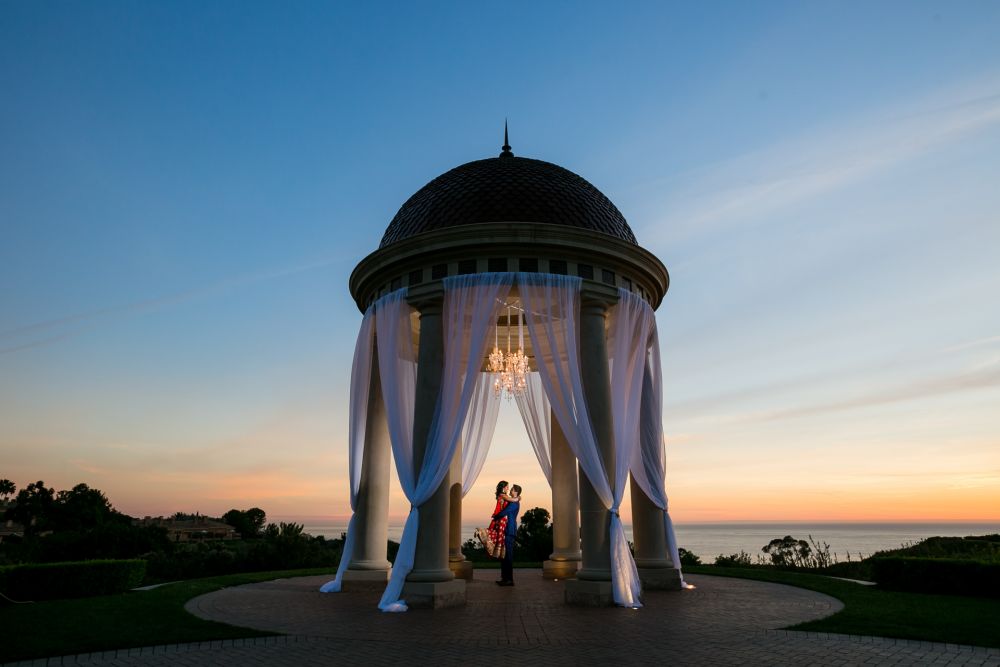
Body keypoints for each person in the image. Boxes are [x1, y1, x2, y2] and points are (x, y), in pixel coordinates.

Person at [492, 484, 521, 586]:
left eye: (512, 490)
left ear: (516, 492)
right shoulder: (512, 501)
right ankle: (504, 578)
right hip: (506, 530)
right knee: (504, 555)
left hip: (509, 530)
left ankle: (509, 580)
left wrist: (495, 516)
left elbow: (504, 512)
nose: (510, 491)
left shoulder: (514, 503)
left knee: (508, 556)